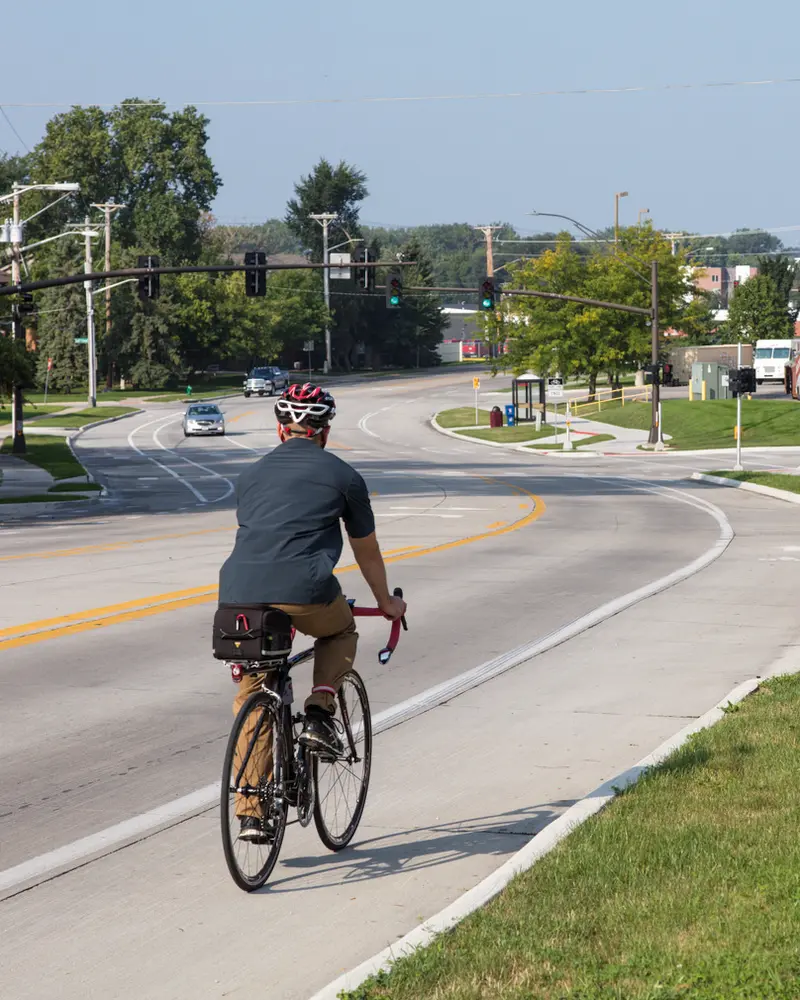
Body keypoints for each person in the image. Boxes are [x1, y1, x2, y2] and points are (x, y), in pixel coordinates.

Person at [218, 382, 406, 842]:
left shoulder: (249, 476)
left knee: (253, 692)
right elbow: (367, 550)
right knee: (340, 632)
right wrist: (385, 603)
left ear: (281, 430)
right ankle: (321, 713)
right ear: (324, 432)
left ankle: (252, 814)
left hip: (238, 596)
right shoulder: (344, 477)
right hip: (307, 590)